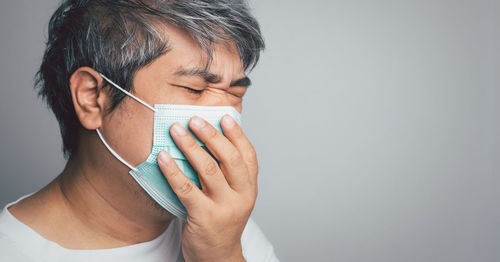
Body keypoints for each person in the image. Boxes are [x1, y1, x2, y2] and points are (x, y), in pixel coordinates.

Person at [0, 0, 279, 261]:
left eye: (236, 92)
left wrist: (222, 255)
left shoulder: (222, 229)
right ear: (92, 97)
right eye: (194, 88)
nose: (224, 119)